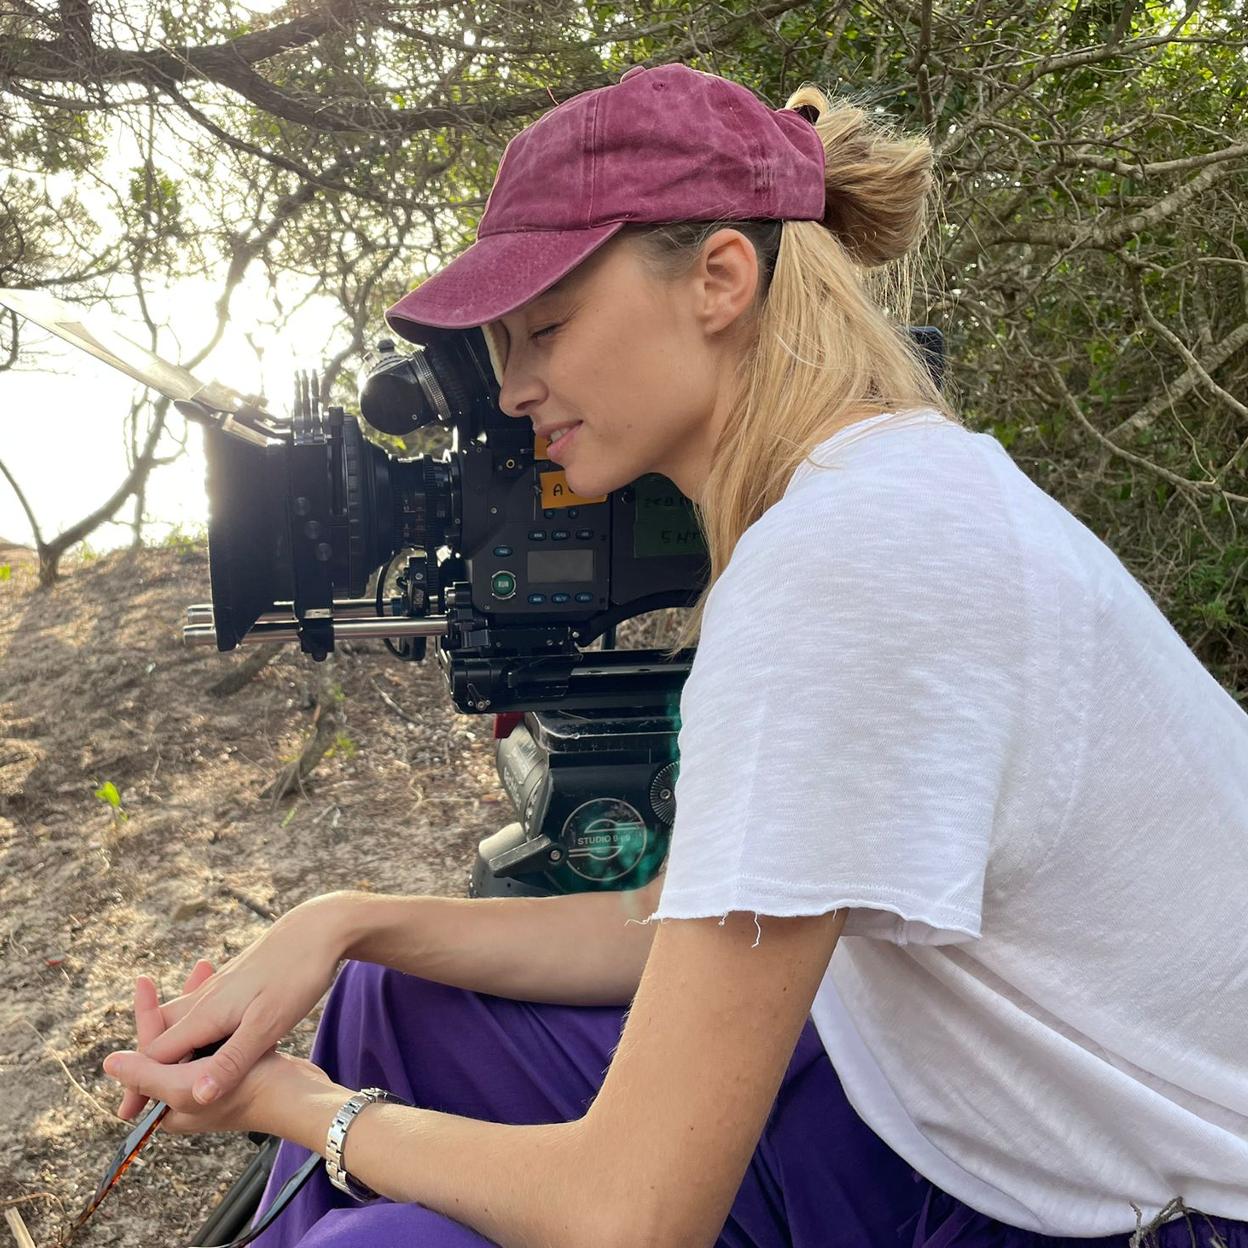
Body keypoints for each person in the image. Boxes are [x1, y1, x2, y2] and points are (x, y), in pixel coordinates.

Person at [101, 63, 1248, 1248]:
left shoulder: (850, 563)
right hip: (967, 1119)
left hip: (1153, 1210)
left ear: (719, 279)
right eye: (501, 344)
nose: (512, 388)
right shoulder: (878, 487)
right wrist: (340, 922)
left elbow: (633, 1216)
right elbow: (668, 919)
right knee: (398, 998)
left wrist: (301, 1107)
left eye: (545, 327)